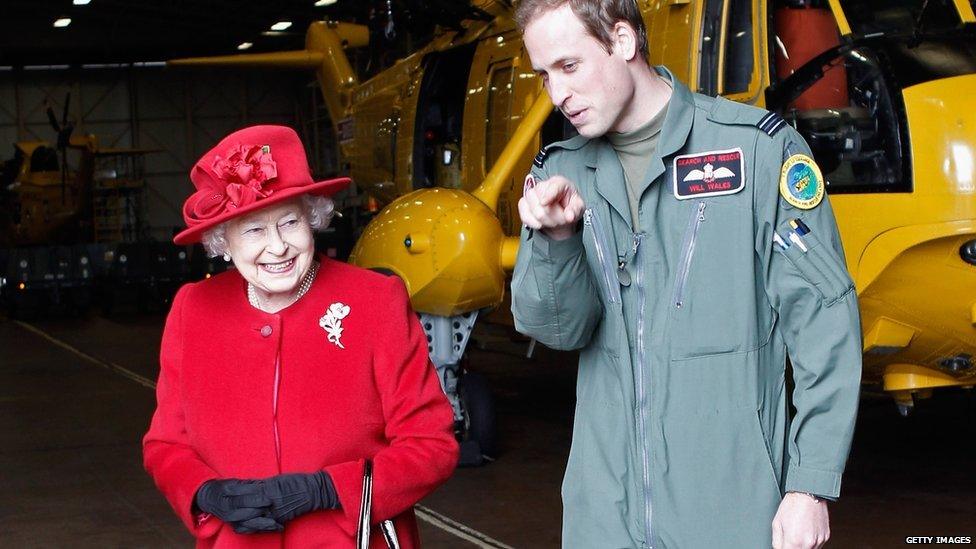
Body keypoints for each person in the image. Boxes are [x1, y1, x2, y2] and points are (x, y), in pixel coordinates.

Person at [510, 2, 862, 548]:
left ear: (622, 40)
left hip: (731, 514)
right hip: (602, 517)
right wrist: (555, 241)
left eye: (569, 66)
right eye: (544, 75)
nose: (557, 95)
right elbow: (559, 331)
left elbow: (824, 326)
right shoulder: (560, 171)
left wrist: (810, 486)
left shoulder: (755, 152)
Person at [143, 125, 459, 548]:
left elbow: (431, 444)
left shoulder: (375, 301)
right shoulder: (193, 310)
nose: (278, 247)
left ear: (313, 218)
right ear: (224, 242)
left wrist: (330, 490)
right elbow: (166, 444)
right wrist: (204, 493)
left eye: (290, 222)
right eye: (254, 230)